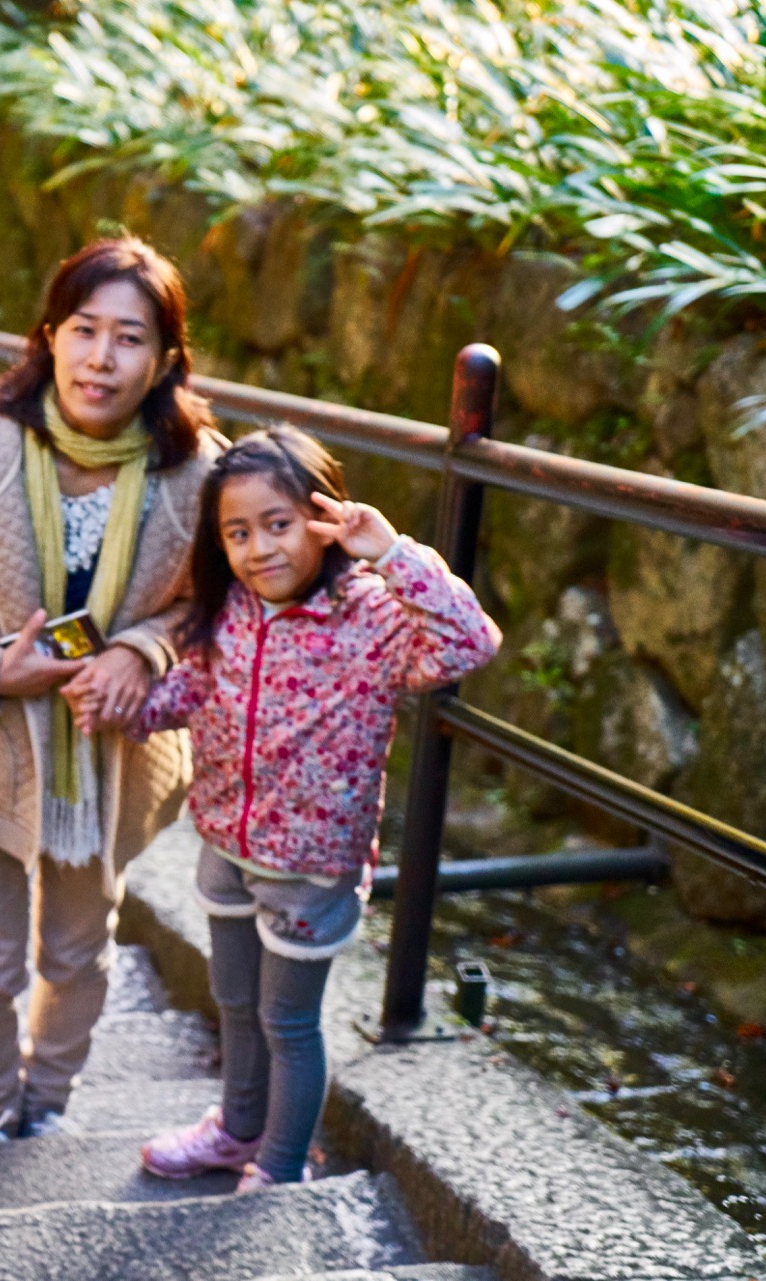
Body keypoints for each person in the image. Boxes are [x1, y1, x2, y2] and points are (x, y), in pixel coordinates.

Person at [0, 238, 220, 1143]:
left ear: (166, 360)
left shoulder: (200, 473)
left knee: (79, 948)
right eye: (84, 330)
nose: (102, 358)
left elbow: (209, 606)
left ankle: (47, 1108)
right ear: (49, 336)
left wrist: (142, 650)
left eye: (129, 338)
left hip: (109, 758)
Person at [133, 429, 500, 1190]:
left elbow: (471, 642)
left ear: (321, 518)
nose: (260, 547)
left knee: (289, 1024)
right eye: (238, 531)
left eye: (279, 522)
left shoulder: (367, 614)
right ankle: (237, 1129)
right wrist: (120, 701)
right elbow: (195, 692)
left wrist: (390, 550)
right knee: (233, 998)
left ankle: (279, 1166)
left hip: (311, 864)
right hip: (225, 839)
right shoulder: (229, 607)